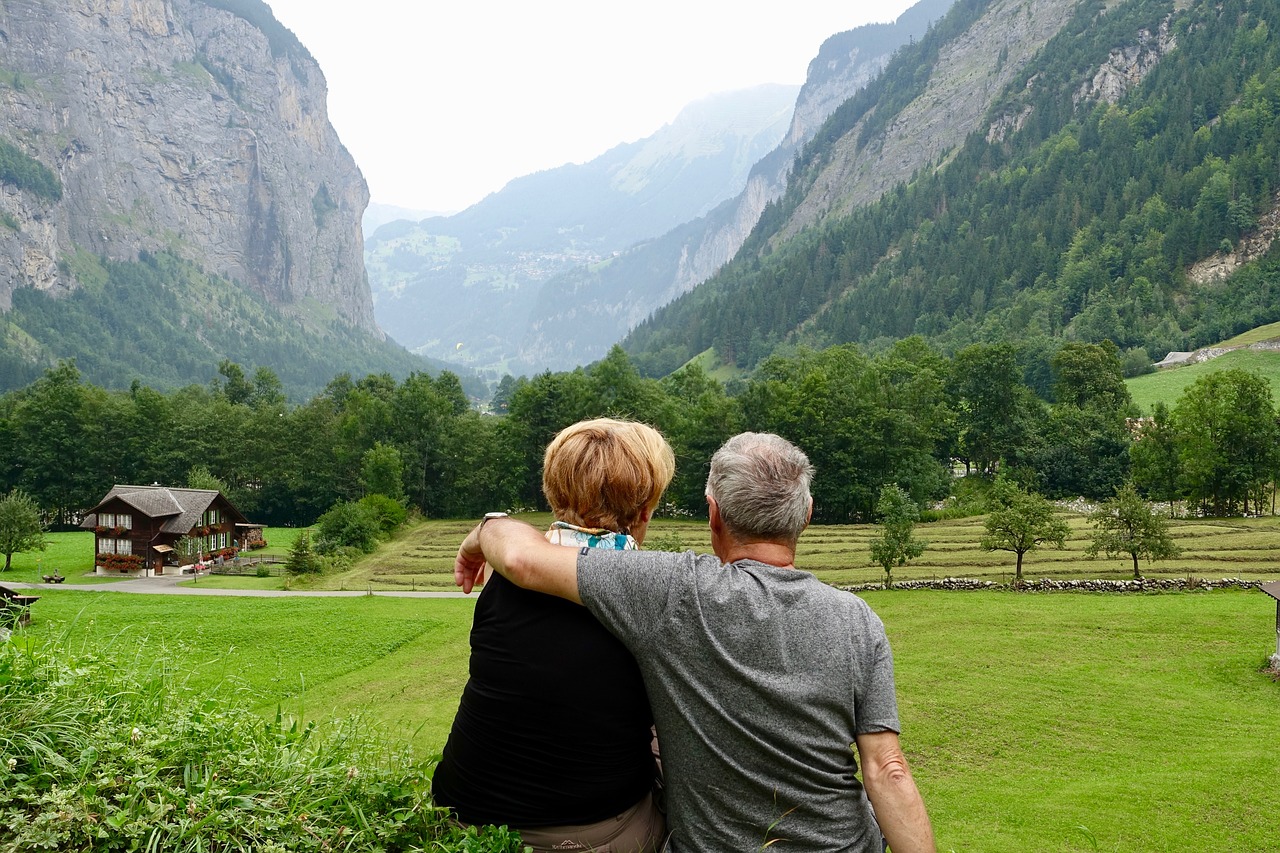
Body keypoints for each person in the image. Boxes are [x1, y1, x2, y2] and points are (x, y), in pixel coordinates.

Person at [455, 432, 935, 853]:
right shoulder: (858, 619)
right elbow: (888, 769)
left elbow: (523, 558)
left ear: (714, 515)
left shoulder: (674, 591)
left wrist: (484, 531)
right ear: (806, 515)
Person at [432, 418, 675, 853]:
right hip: (587, 834)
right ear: (643, 512)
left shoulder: (505, 577)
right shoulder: (651, 593)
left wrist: (485, 531)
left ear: (554, 495)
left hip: (460, 814)